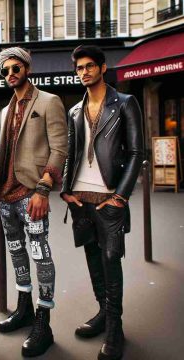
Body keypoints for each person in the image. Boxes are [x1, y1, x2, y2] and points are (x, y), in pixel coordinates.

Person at [61, 45, 143, 360]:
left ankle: (114, 327)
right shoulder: (74, 111)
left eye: (89, 66)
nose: (84, 72)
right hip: (80, 199)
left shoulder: (125, 103)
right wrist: (66, 191)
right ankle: (102, 313)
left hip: (110, 198)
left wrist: (120, 196)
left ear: (103, 67)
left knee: (111, 261)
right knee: (93, 259)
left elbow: (137, 152)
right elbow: (71, 153)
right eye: (79, 68)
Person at [0, 47, 67, 357]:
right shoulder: (3, 111)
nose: (10, 74)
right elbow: (5, 152)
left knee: (40, 253)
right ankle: (23, 307)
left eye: (15, 68)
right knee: (17, 253)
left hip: (32, 193)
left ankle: (43, 322)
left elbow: (60, 149)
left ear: (27, 68)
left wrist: (43, 189)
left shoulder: (49, 101)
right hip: (7, 196)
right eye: (5, 70)